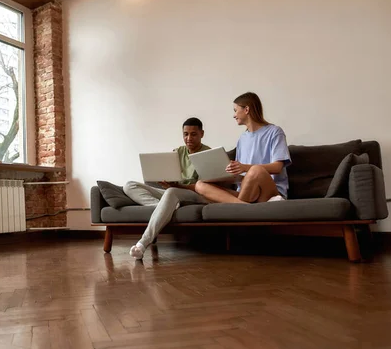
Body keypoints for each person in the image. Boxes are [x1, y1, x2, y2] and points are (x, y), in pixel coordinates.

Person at [123, 117, 212, 260]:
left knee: (172, 192)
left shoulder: (207, 154)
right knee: (129, 185)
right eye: (185, 134)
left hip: (195, 194)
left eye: (193, 134)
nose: (188, 138)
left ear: (202, 134)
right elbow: (171, 177)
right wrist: (163, 178)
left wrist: (177, 186)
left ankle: (142, 243)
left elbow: (206, 187)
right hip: (174, 192)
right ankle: (166, 208)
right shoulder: (177, 152)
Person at [195, 92, 291, 204]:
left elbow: (277, 167)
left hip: (269, 192)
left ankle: (239, 207)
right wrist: (223, 175)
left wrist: (245, 167)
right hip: (246, 194)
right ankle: (243, 207)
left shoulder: (275, 132)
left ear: (246, 110)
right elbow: (241, 175)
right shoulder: (242, 139)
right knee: (200, 185)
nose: (234, 115)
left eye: (235, 110)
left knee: (256, 170)